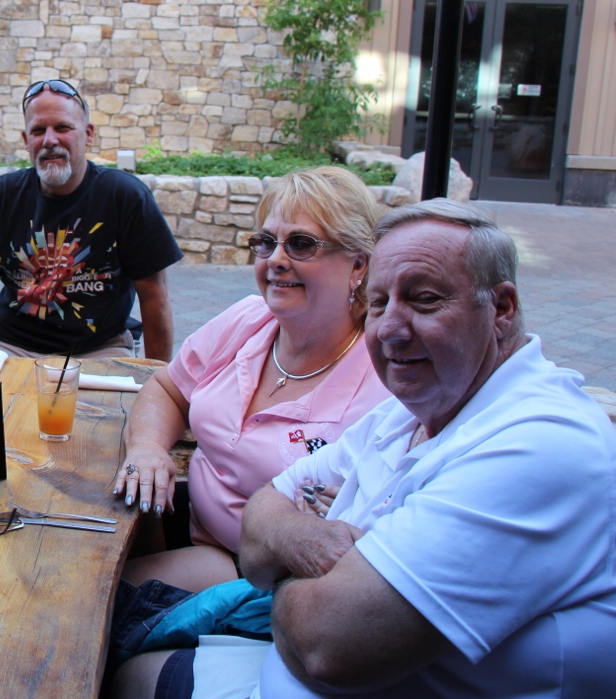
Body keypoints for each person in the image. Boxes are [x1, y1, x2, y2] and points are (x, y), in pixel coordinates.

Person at [233, 199, 616, 698]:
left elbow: (328, 645)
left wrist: (287, 565)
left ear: (501, 308)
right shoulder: (415, 406)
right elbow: (257, 521)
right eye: (377, 303)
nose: (390, 327)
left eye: (425, 298)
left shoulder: (540, 444)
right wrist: (308, 543)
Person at [108, 166, 389, 641]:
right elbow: (168, 387)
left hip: (262, 584)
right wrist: (149, 449)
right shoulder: (250, 320)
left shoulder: (382, 380)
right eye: (266, 243)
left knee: (84, 604)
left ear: (359, 265)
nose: (276, 260)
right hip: (187, 531)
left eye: (301, 244)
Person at [0, 79, 183, 361]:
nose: (49, 140)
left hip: (101, 348)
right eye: (38, 131)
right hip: (10, 347)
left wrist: (157, 380)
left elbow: (154, 296)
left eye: (62, 128)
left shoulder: (126, 197)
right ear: (25, 141)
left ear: (88, 134)